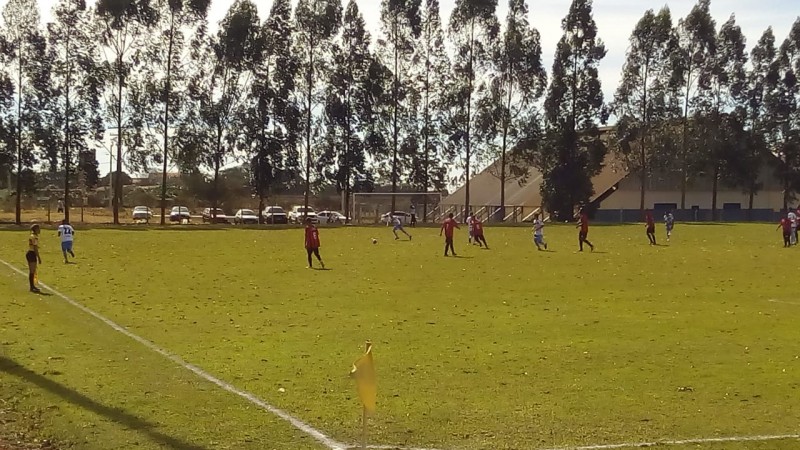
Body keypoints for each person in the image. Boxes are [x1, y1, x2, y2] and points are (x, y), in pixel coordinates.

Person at [26, 224, 42, 293]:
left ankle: (32, 286)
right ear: (35, 229)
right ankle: (32, 287)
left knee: (32, 271)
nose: (39, 230)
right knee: (32, 271)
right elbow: (35, 248)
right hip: (32, 254)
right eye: (38, 229)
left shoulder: (32, 236)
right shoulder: (34, 237)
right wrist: (38, 257)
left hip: (30, 253)